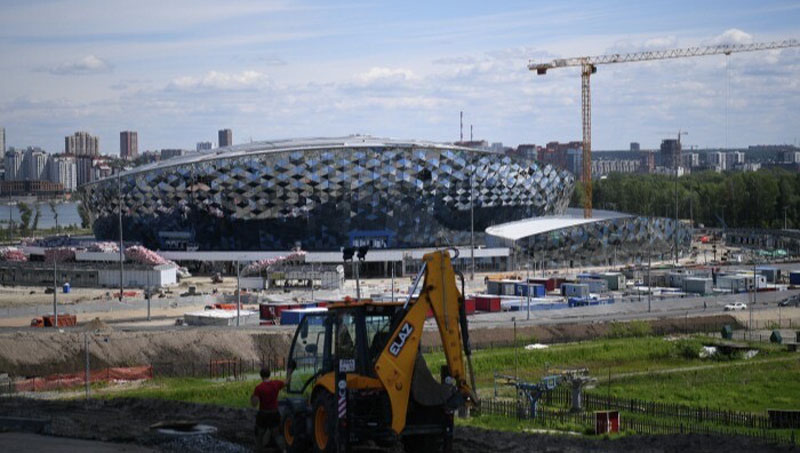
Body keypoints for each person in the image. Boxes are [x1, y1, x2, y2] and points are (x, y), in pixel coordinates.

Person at [251, 365, 293, 452]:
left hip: (263, 414)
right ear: (269, 374)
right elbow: (287, 382)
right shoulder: (276, 384)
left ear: (261, 375)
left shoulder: (258, 388)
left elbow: (254, 404)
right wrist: (289, 373)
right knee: (277, 435)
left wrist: (252, 397)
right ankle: (284, 450)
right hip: (274, 413)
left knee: (259, 434)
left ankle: (259, 450)